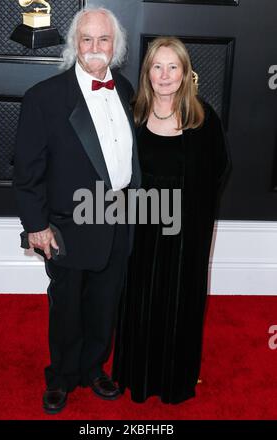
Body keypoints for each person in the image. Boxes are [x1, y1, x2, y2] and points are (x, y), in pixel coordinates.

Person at [14, 7, 141, 414]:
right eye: (86, 39)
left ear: (116, 45)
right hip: (69, 224)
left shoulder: (126, 90)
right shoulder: (44, 98)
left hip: (119, 218)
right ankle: (62, 377)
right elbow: (26, 170)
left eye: (104, 39)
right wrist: (36, 226)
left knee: (106, 302)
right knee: (66, 306)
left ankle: (92, 368)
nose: (95, 47)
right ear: (74, 44)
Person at [112, 36, 230, 404]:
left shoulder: (203, 118)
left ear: (185, 72)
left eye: (172, 67)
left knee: (178, 303)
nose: (164, 75)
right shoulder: (133, 115)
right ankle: (136, 375)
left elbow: (218, 170)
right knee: (138, 300)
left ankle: (175, 379)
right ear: (147, 73)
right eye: (157, 67)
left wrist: (190, 217)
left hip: (184, 235)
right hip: (141, 229)